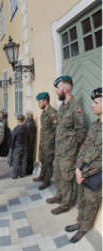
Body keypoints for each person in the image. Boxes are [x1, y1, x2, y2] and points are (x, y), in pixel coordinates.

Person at [65, 87, 101, 243]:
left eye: (96, 102)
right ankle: (79, 222)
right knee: (81, 200)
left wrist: (84, 172)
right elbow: (85, 146)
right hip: (84, 170)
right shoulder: (95, 125)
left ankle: (84, 228)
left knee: (91, 202)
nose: (92, 105)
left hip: (95, 173)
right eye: (93, 102)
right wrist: (78, 167)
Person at [47, 76, 87, 215]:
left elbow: (81, 131)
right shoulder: (63, 107)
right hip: (59, 149)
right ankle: (59, 196)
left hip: (69, 152)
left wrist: (75, 148)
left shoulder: (75, 107)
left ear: (65, 89)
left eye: (58, 89)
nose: (56, 91)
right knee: (58, 174)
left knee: (67, 177)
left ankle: (66, 204)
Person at [34, 92, 58, 190]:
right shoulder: (44, 113)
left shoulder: (53, 113)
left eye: (39, 102)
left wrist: (53, 142)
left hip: (49, 143)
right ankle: (42, 175)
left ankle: (47, 180)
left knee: (48, 162)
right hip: (43, 142)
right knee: (42, 160)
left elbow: (57, 129)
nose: (38, 104)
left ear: (45, 101)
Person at [10, 114, 28, 178]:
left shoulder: (16, 129)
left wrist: (12, 147)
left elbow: (12, 139)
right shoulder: (26, 128)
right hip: (25, 146)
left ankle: (15, 175)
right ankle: (23, 174)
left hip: (17, 146)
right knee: (24, 161)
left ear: (17, 120)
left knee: (16, 162)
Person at [24, 111, 37, 175]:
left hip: (29, 142)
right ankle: (29, 170)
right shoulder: (32, 122)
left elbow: (26, 134)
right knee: (30, 157)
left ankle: (28, 171)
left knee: (28, 157)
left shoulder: (28, 124)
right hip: (31, 142)